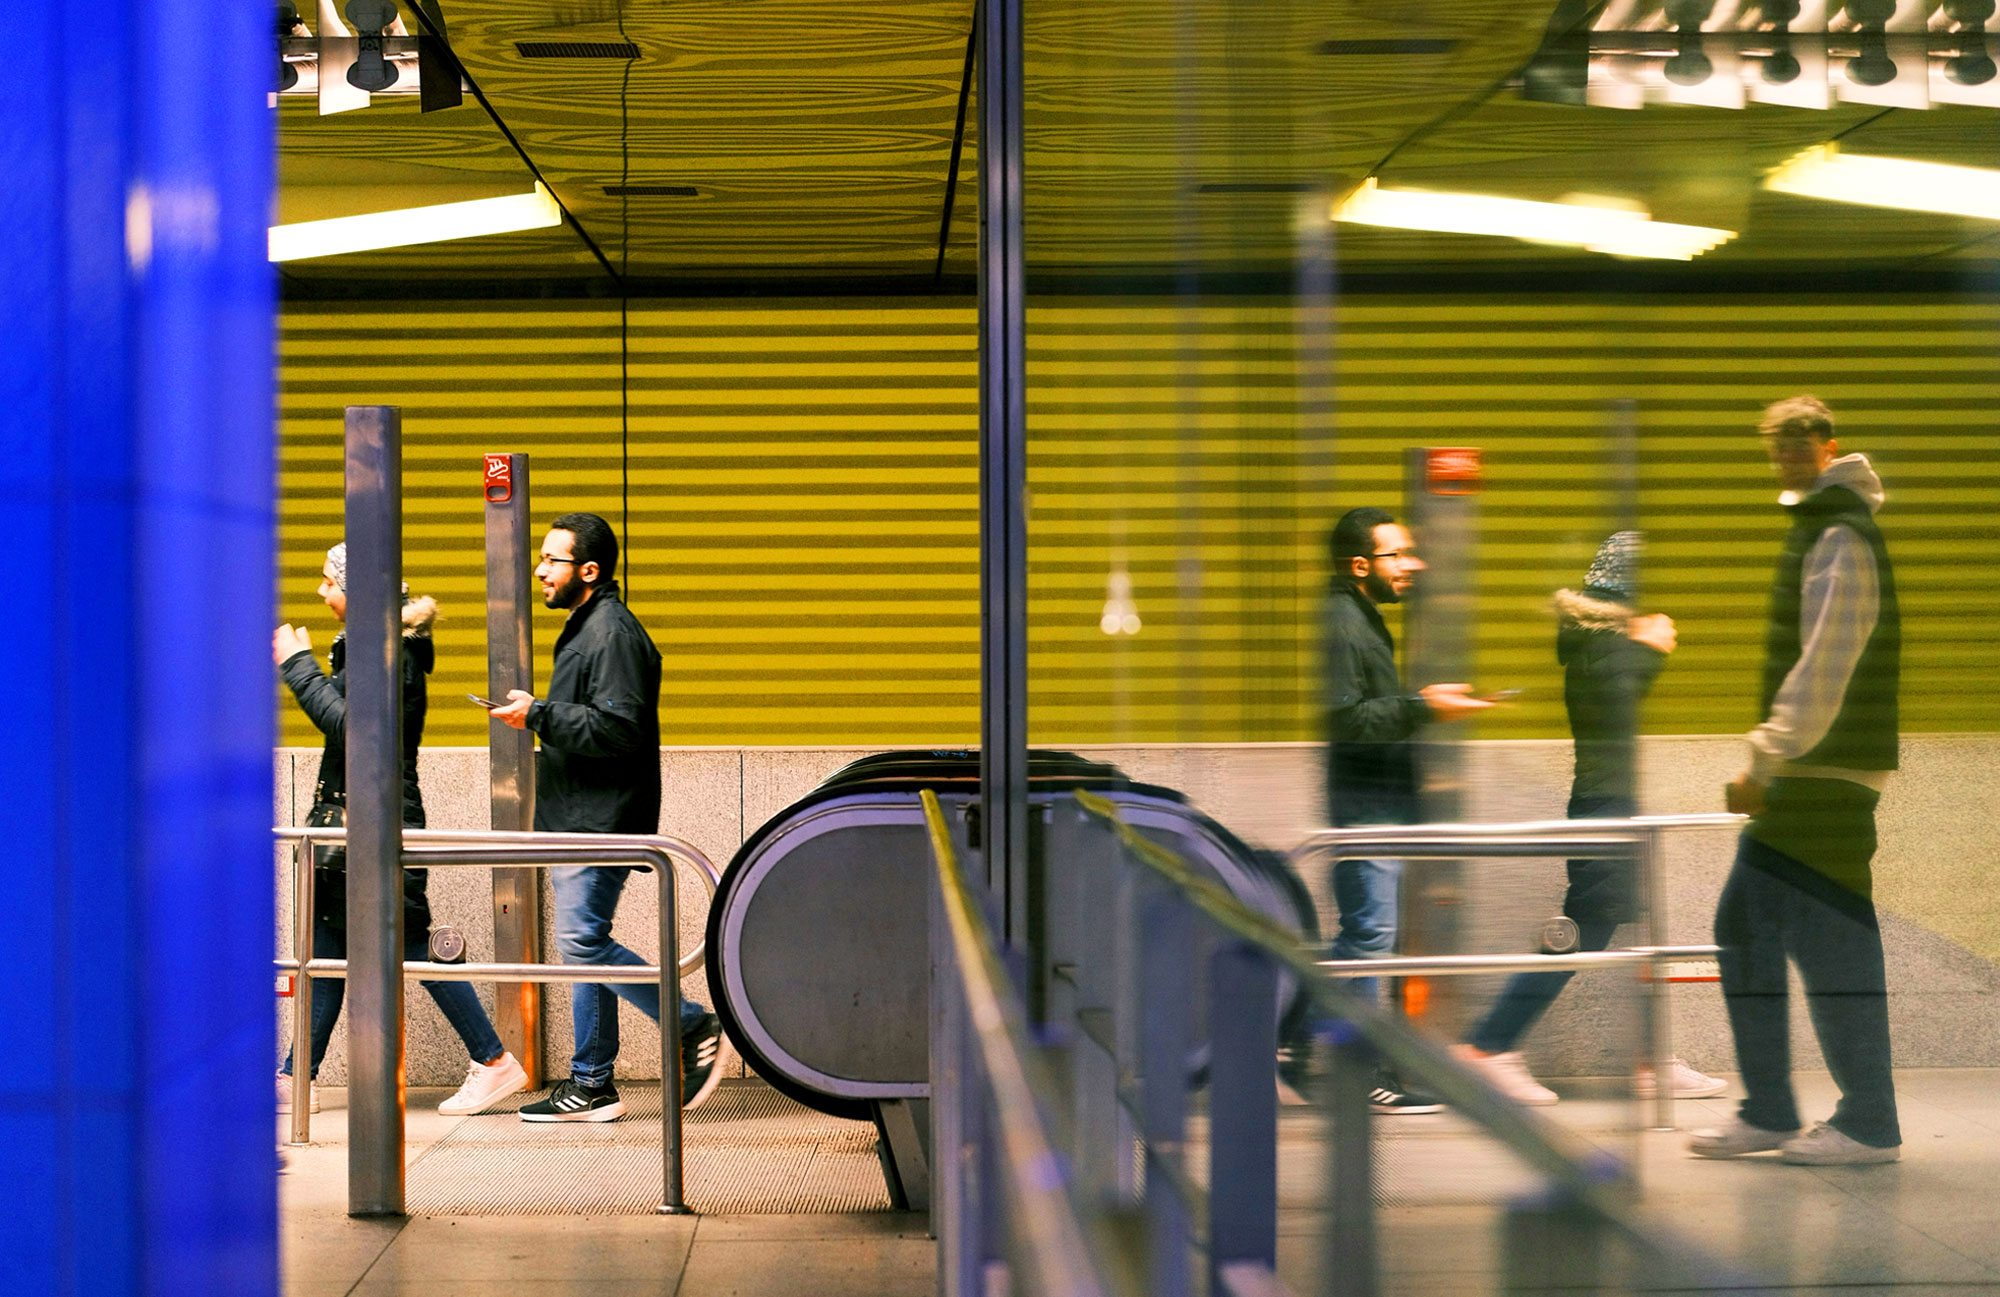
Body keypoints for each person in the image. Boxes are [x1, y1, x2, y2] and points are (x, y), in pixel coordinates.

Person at [1690, 395, 1902, 1166]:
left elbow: (1825, 662)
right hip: (1822, 768)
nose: (1784, 452)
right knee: (1758, 927)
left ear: (1828, 443)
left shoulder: (1840, 531)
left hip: (1824, 768)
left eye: (1798, 439)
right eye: (1774, 441)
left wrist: (1766, 757)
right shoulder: (1823, 524)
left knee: (1822, 941)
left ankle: (1865, 1121)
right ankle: (1783, 1107)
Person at [1452, 532, 1725, 1104]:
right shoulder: (1603, 642)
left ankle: (1652, 1059)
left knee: (1639, 928)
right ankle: (1490, 1044)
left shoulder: (1598, 636)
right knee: (1588, 927)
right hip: (1603, 804)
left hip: (1612, 802)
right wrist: (1649, 649)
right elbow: (1613, 695)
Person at [275, 543, 528, 1117]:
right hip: (353, 817)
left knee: (410, 939)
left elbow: (351, 729)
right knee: (329, 945)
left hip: (376, 818)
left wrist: (297, 664)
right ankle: (297, 1077)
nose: (321, 592)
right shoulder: (376, 646)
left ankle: (494, 1061)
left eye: (328, 581)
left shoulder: (390, 652)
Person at [491, 512, 724, 1121]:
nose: (540, 570)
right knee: (581, 946)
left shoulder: (612, 633)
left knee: (580, 942)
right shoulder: (589, 626)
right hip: (578, 814)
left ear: (588, 571)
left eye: (552, 560)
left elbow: (620, 729)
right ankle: (592, 1083)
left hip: (599, 818)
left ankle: (691, 1024)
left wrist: (538, 714)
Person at [1321, 506, 1491, 1113]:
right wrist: (1422, 706)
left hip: (1376, 801)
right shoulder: (1343, 621)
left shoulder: (1360, 618)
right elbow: (1345, 719)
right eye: (1398, 555)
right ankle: (1352, 1071)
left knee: (1366, 938)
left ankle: (1337, 1056)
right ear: (1361, 564)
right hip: (1364, 804)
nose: (1411, 565)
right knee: (1368, 939)